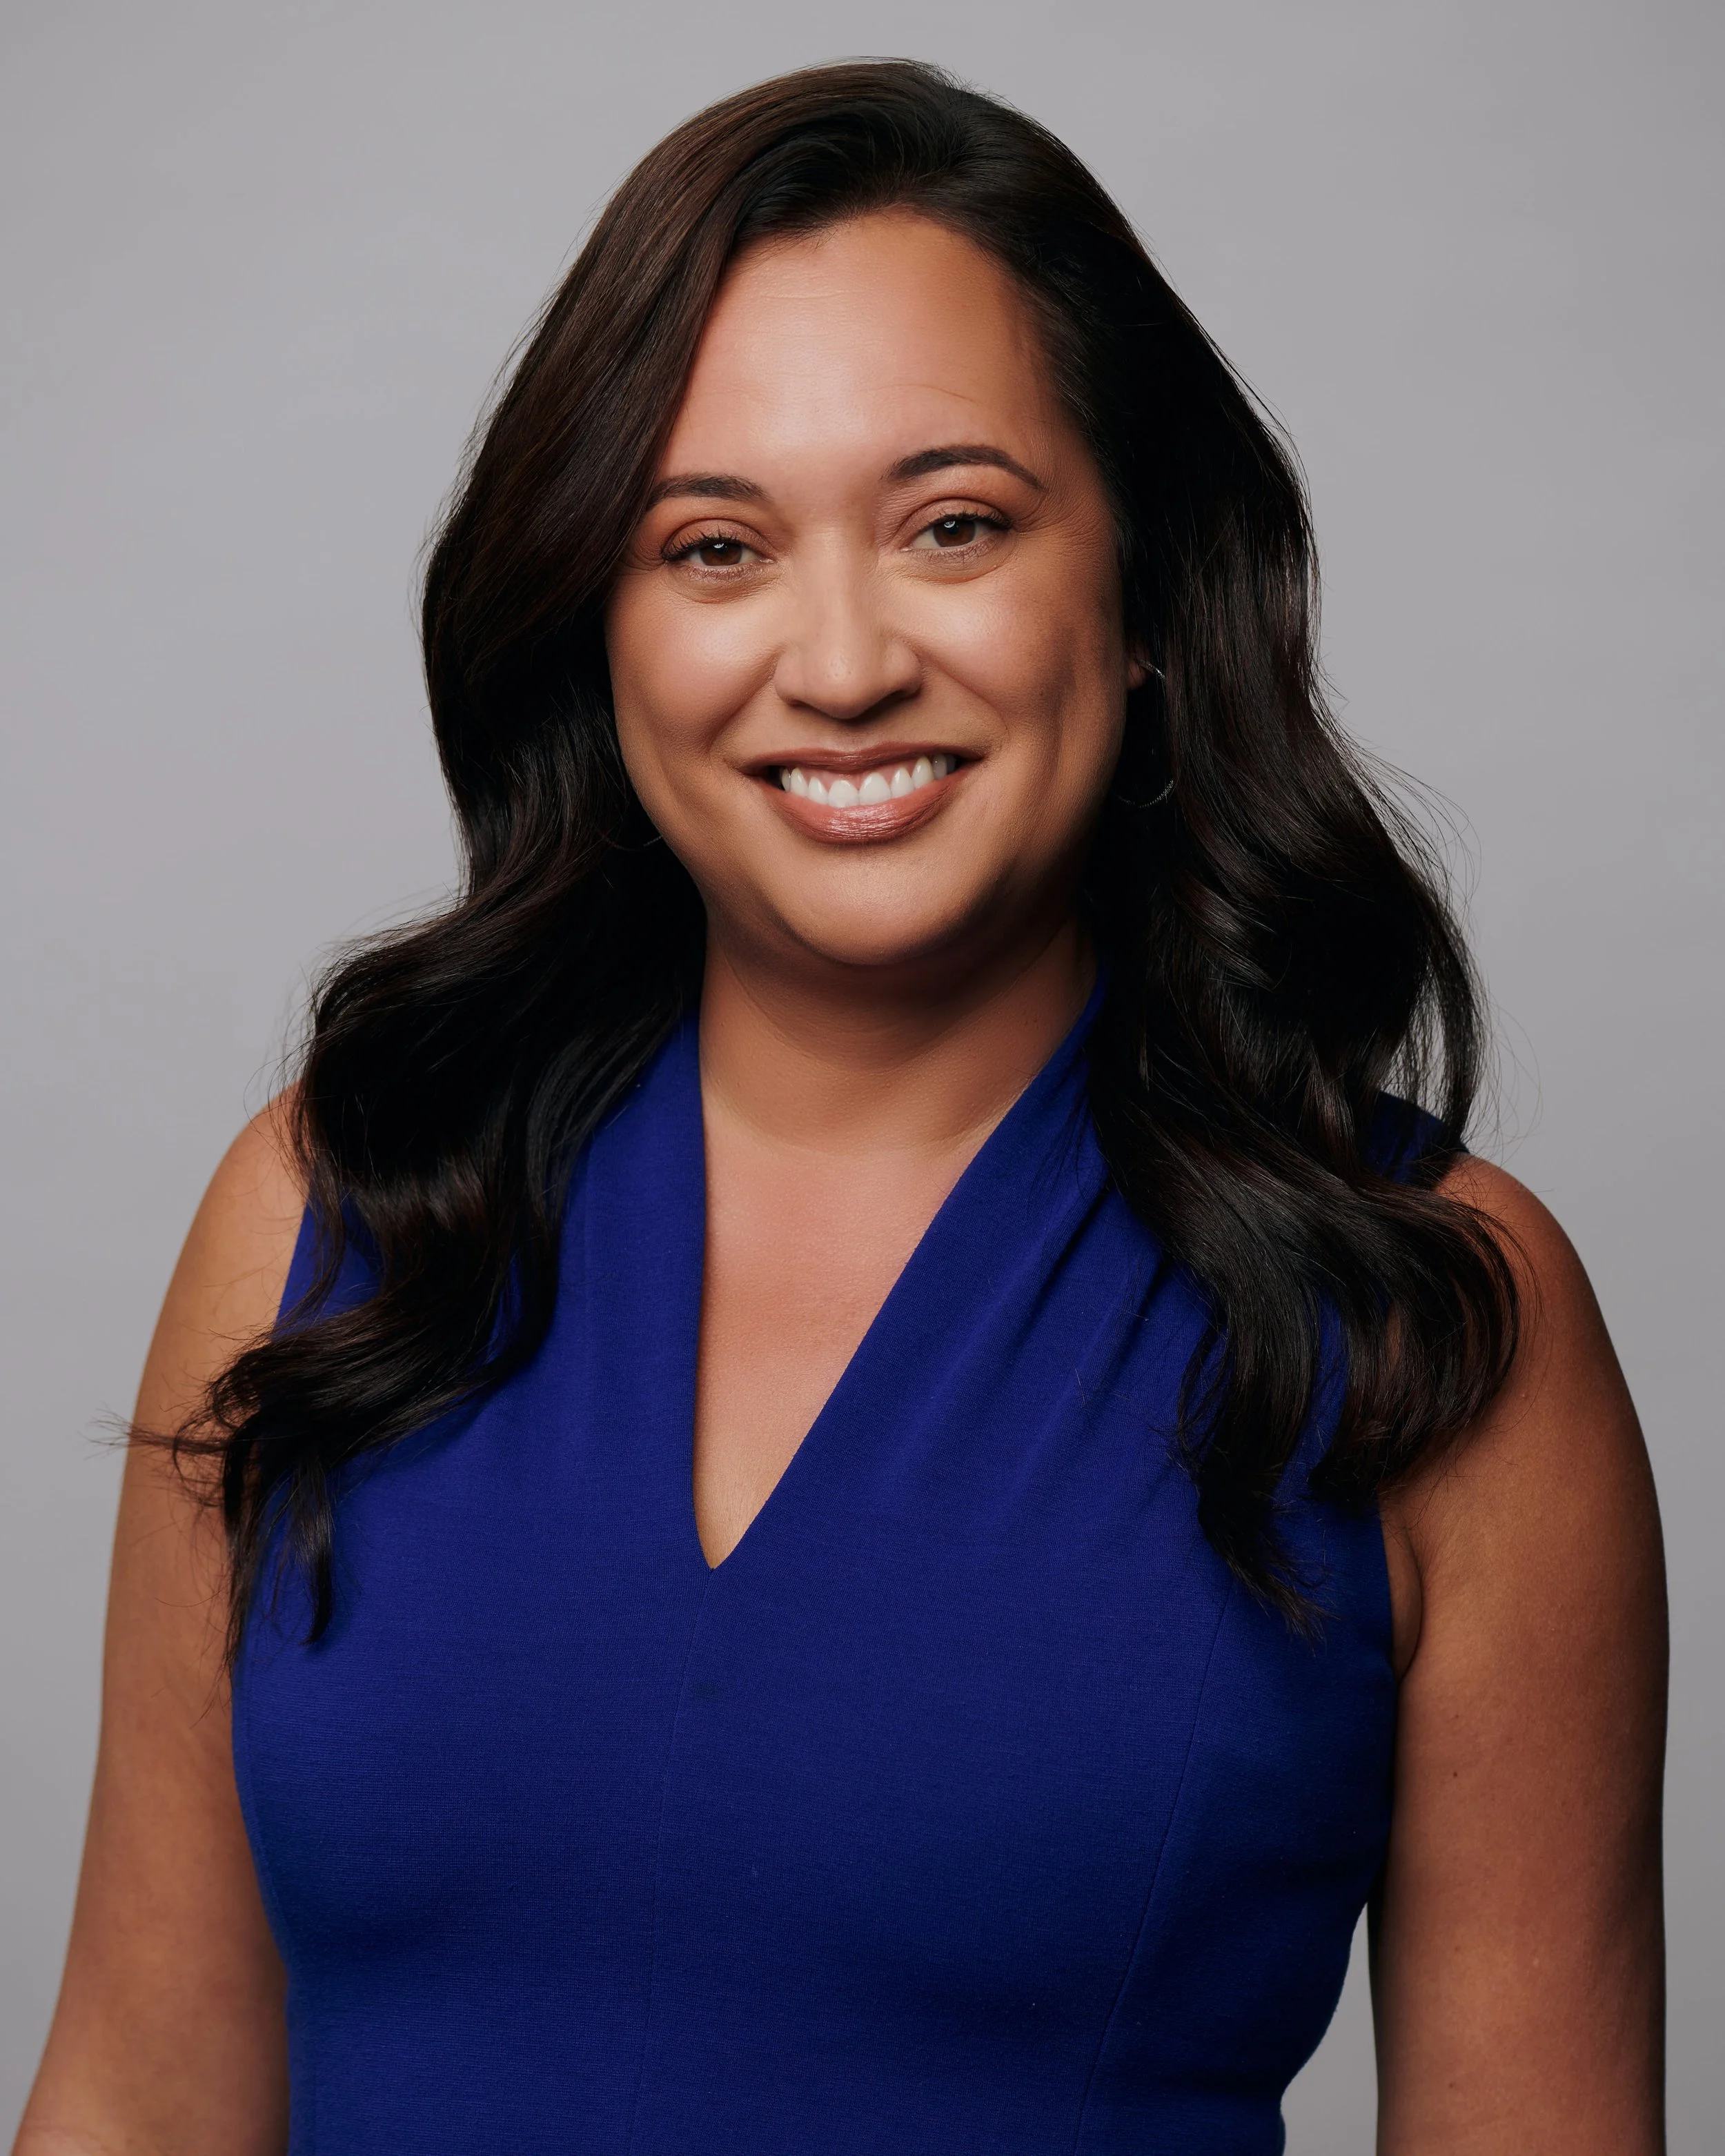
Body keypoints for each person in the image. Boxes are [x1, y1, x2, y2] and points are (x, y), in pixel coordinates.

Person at [17, 59, 1666, 2156]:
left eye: (953, 524)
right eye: (711, 547)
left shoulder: (1438, 1315)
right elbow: (136, 2106)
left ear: (1147, 594)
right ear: (596, 628)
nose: (841, 655)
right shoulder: (338, 1218)